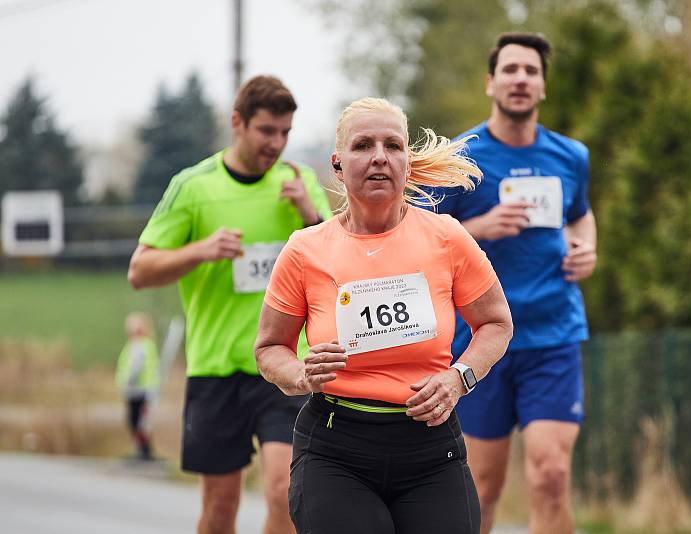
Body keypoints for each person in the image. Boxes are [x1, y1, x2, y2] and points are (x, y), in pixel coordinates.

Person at [253, 97, 514, 534]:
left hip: (429, 448)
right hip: (335, 447)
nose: (379, 157)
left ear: (407, 163)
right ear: (338, 164)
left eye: (393, 146)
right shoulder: (304, 250)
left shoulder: (447, 237)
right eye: (363, 145)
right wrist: (301, 375)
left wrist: (459, 377)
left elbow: (496, 322)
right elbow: (269, 348)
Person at [128, 75, 332, 534]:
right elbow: (140, 271)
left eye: (285, 133)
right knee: (221, 506)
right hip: (216, 367)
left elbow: (339, 263)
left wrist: (310, 216)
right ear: (237, 123)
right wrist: (200, 249)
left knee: (286, 492)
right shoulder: (193, 186)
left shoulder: (298, 183)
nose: (276, 143)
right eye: (266, 131)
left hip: (284, 365)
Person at [430, 33, 597, 534]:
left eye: (531, 71)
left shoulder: (572, 156)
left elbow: (581, 216)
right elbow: (424, 242)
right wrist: (482, 227)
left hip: (553, 334)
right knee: (482, 484)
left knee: (551, 473)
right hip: (481, 342)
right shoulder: (460, 157)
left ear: (543, 86)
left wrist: (585, 247)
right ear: (491, 82)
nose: (520, 79)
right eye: (510, 70)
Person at [115, 311, 160, 461]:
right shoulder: (137, 345)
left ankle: (144, 450)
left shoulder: (142, 345)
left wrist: (127, 381)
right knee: (136, 421)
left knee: (139, 421)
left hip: (141, 390)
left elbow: (136, 367)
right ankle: (142, 449)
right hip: (135, 391)